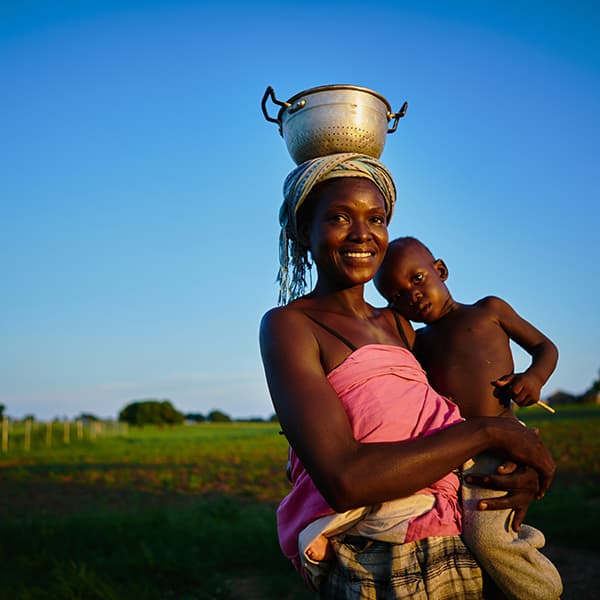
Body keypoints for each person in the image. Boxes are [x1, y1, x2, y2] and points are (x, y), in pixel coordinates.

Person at [259, 152, 556, 598]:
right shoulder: (290, 325)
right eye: (339, 217)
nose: (362, 233)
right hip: (382, 562)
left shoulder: (399, 326)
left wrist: (521, 471)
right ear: (304, 232)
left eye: (375, 218)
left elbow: (438, 418)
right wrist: (489, 434)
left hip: (458, 538)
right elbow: (347, 481)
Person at [373, 236, 563, 599]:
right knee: (455, 536)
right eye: (396, 295)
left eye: (416, 279)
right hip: (451, 450)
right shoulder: (419, 342)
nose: (411, 295)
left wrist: (533, 378)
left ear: (440, 270)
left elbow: (545, 347)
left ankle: (543, 590)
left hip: (500, 444)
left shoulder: (488, 310)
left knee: (487, 536)